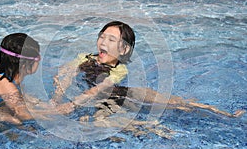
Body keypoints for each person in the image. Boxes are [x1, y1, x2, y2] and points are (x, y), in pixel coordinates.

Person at [50, 21, 245, 119]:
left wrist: (72, 105)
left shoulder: (119, 70)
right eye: (102, 37)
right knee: (95, 122)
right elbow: (64, 74)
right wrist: (56, 99)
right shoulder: (85, 58)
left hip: (123, 95)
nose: (103, 42)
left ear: (123, 49)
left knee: (176, 103)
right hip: (100, 102)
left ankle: (222, 113)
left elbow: (98, 89)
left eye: (111, 40)